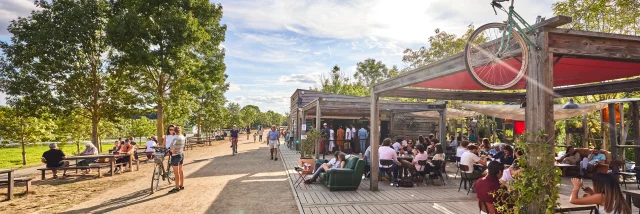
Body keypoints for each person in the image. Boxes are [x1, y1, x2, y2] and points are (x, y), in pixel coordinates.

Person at [168, 126, 186, 193]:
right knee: (181, 170)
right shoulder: (182, 136)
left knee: (176, 172)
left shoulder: (176, 137)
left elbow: (171, 145)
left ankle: (176, 187)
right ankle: (181, 185)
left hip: (176, 156)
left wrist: (172, 150)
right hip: (181, 154)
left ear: (174, 131)